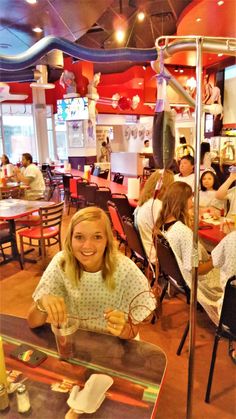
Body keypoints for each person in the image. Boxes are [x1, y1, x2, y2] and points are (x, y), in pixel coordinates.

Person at [27, 207, 156, 339]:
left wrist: (123, 329)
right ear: (70, 239)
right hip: (75, 341)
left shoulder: (126, 269)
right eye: (79, 237)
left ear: (107, 240)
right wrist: (41, 304)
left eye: (97, 237)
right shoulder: (61, 263)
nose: (87, 245)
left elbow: (132, 332)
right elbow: (32, 322)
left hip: (113, 344)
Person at [153, 182, 223, 325]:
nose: (192, 202)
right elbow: (196, 268)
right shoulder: (183, 233)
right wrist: (214, 259)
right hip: (201, 280)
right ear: (182, 202)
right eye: (190, 198)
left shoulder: (163, 224)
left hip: (181, 277)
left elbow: (191, 257)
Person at [134, 169, 174, 263]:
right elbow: (169, 236)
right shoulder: (156, 205)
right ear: (165, 187)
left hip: (142, 250)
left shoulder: (144, 202)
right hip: (154, 255)